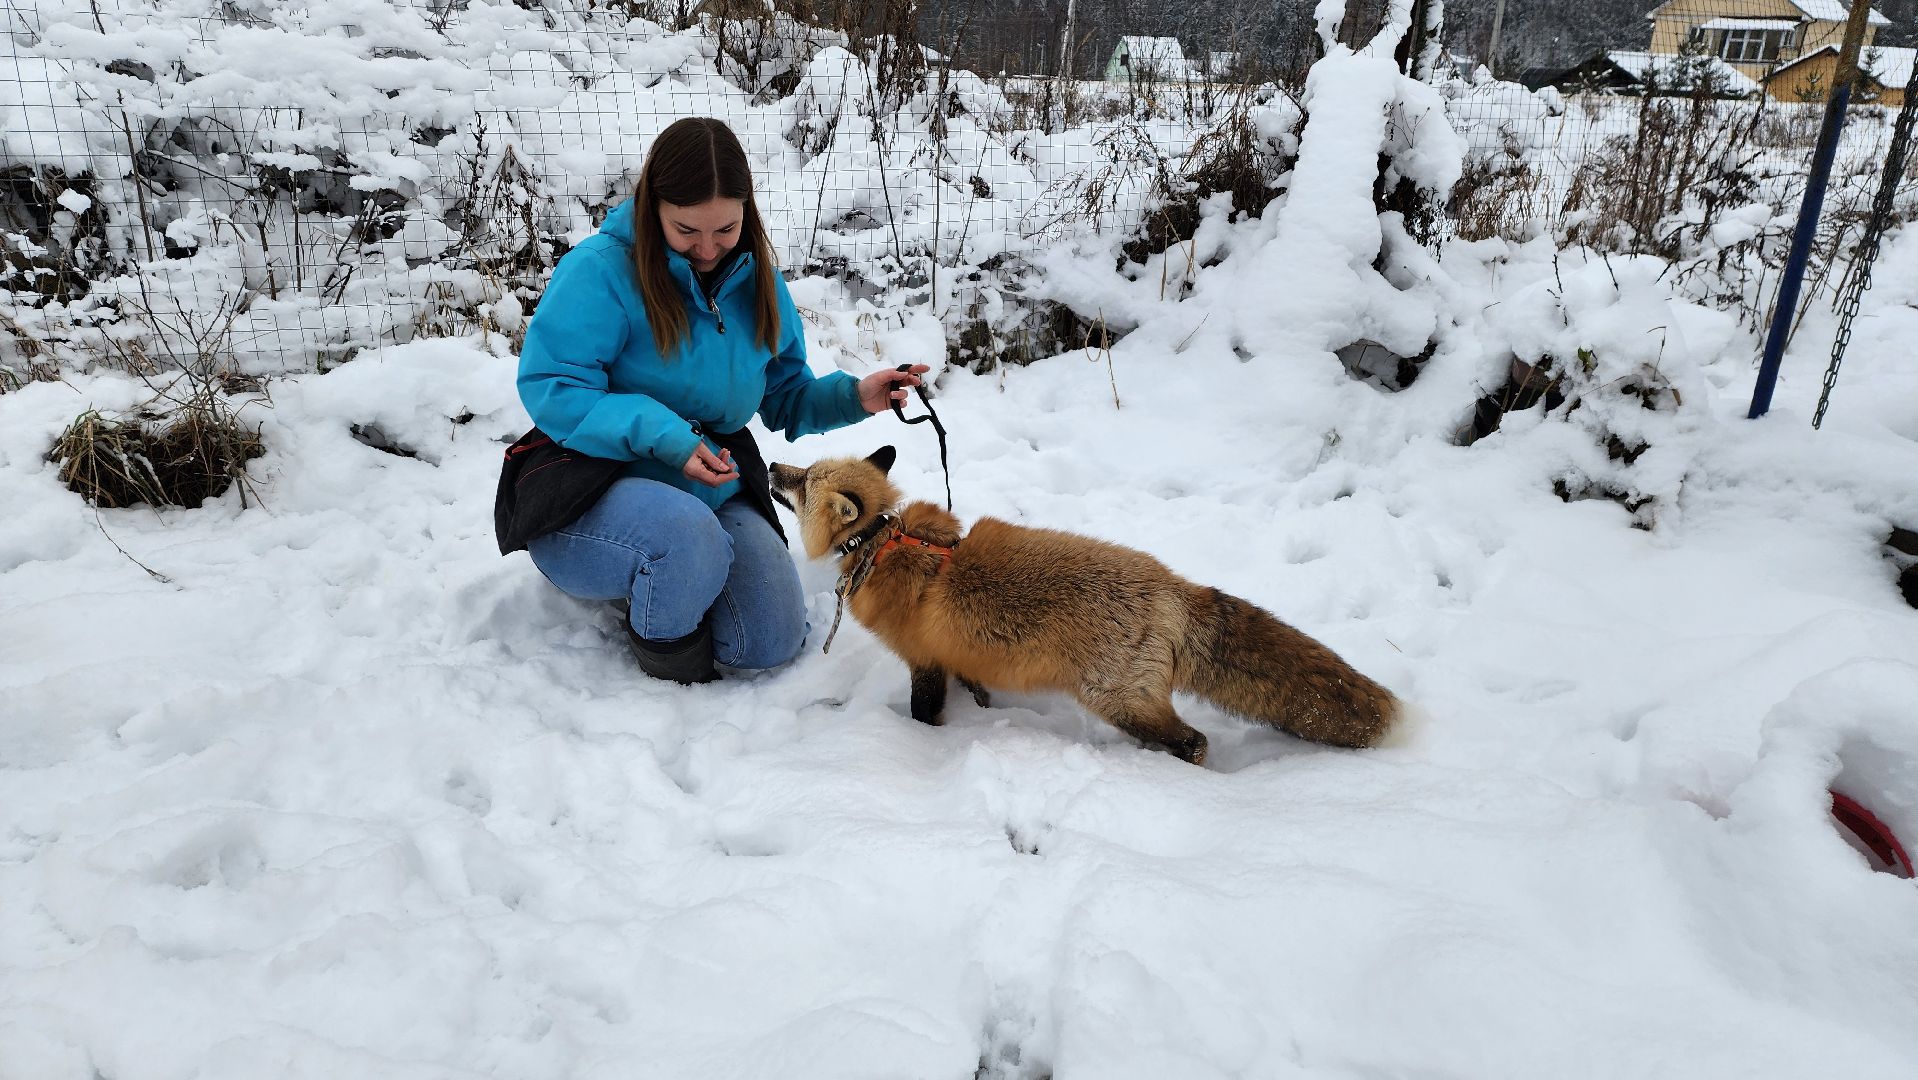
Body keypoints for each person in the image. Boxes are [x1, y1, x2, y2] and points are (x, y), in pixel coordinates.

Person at [515, 116, 928, 685]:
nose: (708, 249)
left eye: (725, 229)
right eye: (686, 230)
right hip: (590, 483)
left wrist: (857, 396)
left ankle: (675, 575)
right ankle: (666, 662)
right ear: (651, 207)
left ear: (746, 213)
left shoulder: (758, 283)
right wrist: (667, 436)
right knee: (687, 538)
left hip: (710, 475)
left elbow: (785, 396)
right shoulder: (600, 272)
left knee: (771, 639)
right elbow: (553, 388)